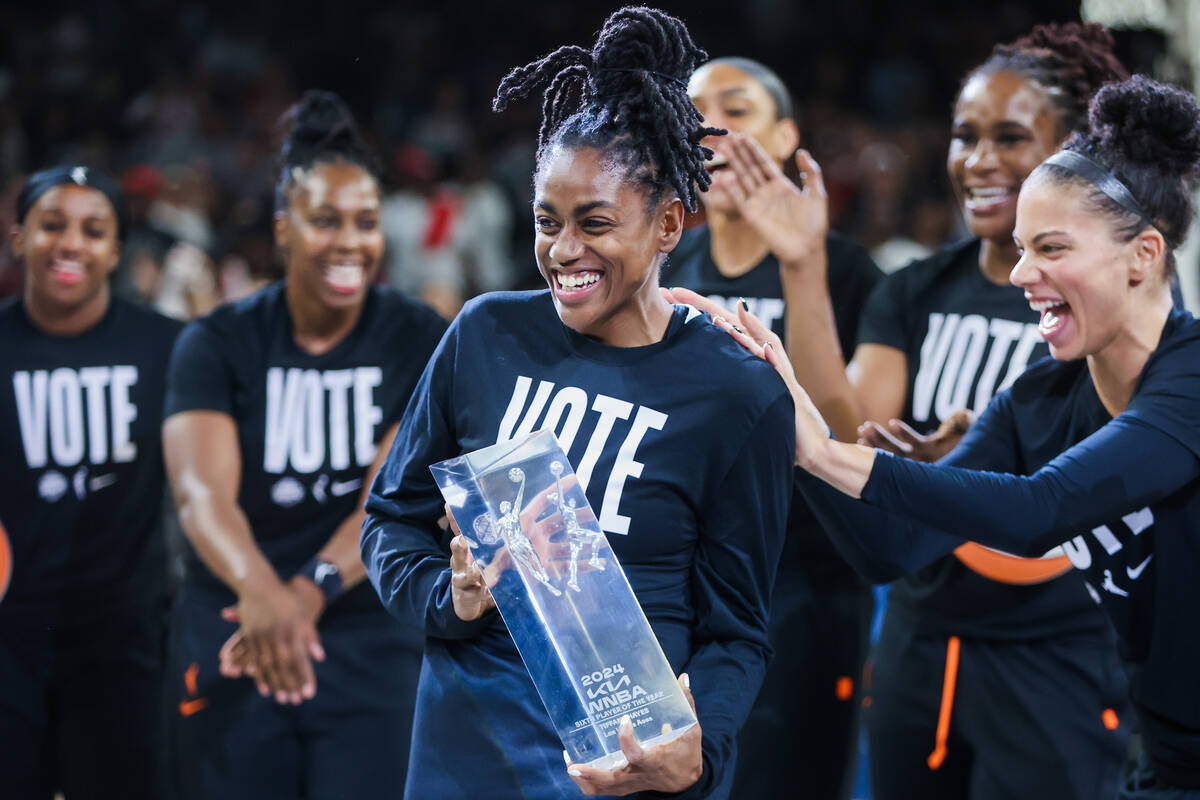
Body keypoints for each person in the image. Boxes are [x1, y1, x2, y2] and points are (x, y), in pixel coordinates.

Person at [699, 74, 1200, 800]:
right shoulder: (1040, 395)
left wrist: (830, 452)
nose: (1024, 272)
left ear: (1144, 256)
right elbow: (888, 547)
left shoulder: (1190, 377)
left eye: (1051, 248)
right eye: (1023, 248)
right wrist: (788, 422)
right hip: (1168, 756)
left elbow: (1041, 512)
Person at [361, 7, 795, 799]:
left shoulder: (738, 391)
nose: (564, 251)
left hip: (628, 766)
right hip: (469, 748)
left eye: (596, 223)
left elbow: (738, 634)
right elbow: (389, 521)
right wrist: (448, 596)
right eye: (547, 222)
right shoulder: (483, 333)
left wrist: (701, 756)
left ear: (667, 223)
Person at [162, 91, 446, 799]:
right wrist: (261, 594)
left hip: (365, 627)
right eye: (325, 221)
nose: (349, 241)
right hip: (236, 617)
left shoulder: (417, 335)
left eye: (366, 223)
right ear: (284, 229)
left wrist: (304, 594)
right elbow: (200, 496)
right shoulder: (219, 340)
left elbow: (392, 497)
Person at [666, 56, 881, 799]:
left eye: (738, 110)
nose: (712, 130)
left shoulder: (847, 270)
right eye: (695, 115)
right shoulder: (667, 267)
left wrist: (803, 262)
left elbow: (849, 438)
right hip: (688, 574)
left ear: (788, 137)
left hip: (806, 574)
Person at [0, 166, 182, 798]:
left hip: (124, 642)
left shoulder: (170, 347)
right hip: (8, 637)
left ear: (115, 249)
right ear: (19, 237)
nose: (71, 243)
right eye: (52, 225)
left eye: (93, 229)